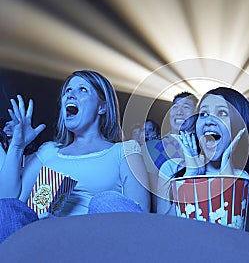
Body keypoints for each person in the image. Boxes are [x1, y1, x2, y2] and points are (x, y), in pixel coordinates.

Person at [0, 70, 150, 241]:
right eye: (68, 91)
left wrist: (68, 228)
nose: (70, 95)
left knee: (105, 201)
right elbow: (8, 202)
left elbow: (140, 217)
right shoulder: (49, 152)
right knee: (6, 208)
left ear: (102, 107)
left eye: (83, 90)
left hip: (98, 241)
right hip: (46, 241)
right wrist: (17, 147)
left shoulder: (124, 151)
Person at [157, 87, 249, 246]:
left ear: (240, 125)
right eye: (203, 114)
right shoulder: (171, 169)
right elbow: (162, 236)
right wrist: (191, 177)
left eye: (222, 113)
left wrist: (229, 179)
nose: (209, 120)